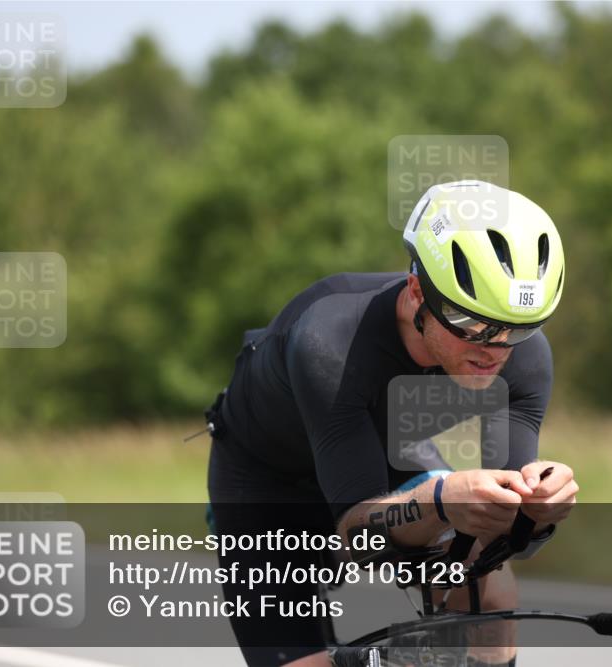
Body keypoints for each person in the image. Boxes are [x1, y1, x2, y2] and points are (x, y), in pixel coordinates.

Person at [208, 180, 579, 666]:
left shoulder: (523, 356)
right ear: (415, 293)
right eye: (472, 326)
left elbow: (500, 544)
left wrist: (537, 512)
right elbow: (356, 535)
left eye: (519, 328)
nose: (494, 349)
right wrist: (443, 501)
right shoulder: (329, 341)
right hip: (267, 482)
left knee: (490, 596)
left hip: (385, 450)